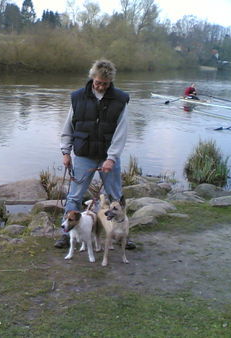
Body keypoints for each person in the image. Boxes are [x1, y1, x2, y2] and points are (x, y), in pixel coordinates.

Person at [54, 59, 135, 250]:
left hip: (108, 157)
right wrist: (66, 151)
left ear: (110, 82)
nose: (100, 86)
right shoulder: (78, 97)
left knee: (116, 197)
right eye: (98, 82)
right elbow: (68, 127)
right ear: (92, 78)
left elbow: (121, 132)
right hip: (83, 155)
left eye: (105, 84)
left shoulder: (120, 100)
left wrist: (111, 158)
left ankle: (122, 235)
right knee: (74, 197)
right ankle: (66, 234)